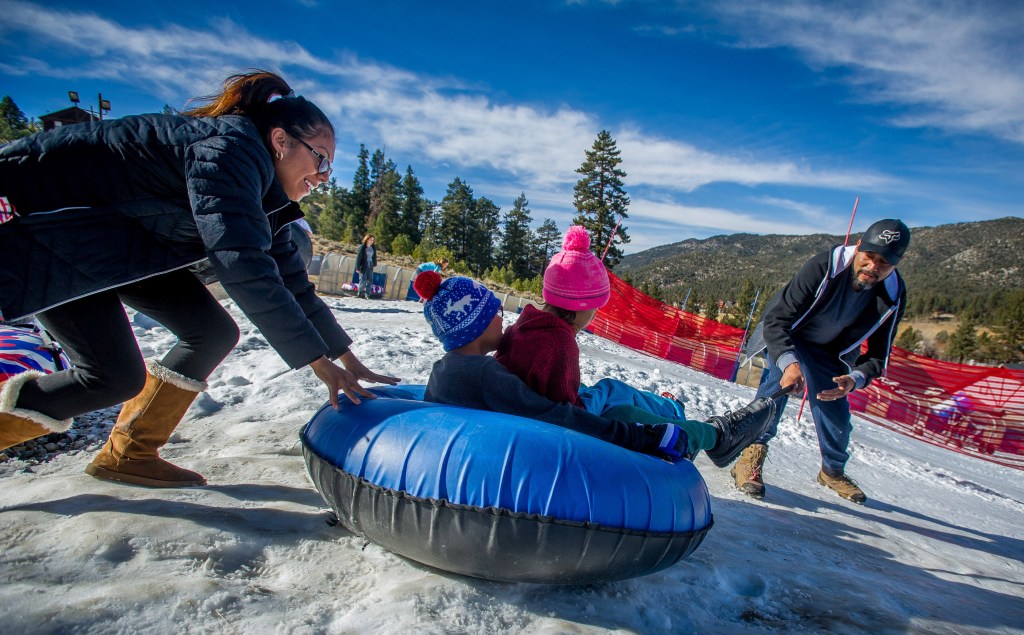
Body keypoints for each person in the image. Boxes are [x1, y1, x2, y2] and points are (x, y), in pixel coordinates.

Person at [0, 70, 399, 487]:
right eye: (321, 159)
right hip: (45, 233)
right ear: (281, 141)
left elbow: (294, 285)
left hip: (116, 248)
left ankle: (129, 452)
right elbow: (242, 263)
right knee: (111, 376)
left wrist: (346, 358)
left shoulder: (266, 196)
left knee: (211, 332)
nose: (324, 176)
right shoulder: (227, 151)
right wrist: (318, 363)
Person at [413, 270, 777, 466]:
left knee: (615, 400)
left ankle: (697, 426)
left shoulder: (446, 370)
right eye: (494, 313)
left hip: (515, 442)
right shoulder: (483, 374)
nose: (502, 318)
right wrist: (643, 438)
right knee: (623, 411)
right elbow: (555, 416)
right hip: (545, 453)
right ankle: (714, 433)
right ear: (476, 325)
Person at [733, 219, 911, 503]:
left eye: (884, 263)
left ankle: (832, 471)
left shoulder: (893, 293)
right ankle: (750, 453)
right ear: (858, 247)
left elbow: (879, 355)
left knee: (836, 410)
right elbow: (778, 320)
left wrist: (854, 379)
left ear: (896, 264)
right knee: (777, 384)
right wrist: (790, 364)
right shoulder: (824, 265)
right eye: (869, 256)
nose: (873, 267)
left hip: (830, 352)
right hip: (789, 335)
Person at [496, 225, 688, 423]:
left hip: (522, 402)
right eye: (595, 308)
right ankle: (672, 410)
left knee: (604, 390)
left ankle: (666, 406)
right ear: (580, 307)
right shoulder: (561, 344)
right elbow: (567, 408)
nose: (595, 315)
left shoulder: (523, 324)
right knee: (613, 389)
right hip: (556, 417)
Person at [354, 234, 377, 299]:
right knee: (363, 279)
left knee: (370, 280)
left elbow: (374, 256)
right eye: (370, 240)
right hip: (363, 265)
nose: (371, 241)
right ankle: (360, 293)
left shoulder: (373, 247)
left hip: (370, 264)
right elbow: (358, 258)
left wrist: (374, 263)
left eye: (372, 240)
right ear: (367, 239)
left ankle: (367, 294)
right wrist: (357, 267)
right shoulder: (362, 247)